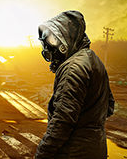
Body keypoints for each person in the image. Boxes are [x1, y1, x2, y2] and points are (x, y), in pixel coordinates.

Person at [35, 10, 115, 158]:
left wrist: (42, 154)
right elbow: (109, 107)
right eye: (46, 43)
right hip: (97, 149)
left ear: (66, 38)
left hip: (73, 152)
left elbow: (62, 121)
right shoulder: (94, 61)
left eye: (52, 41)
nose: (48, 48)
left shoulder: (72, 68)